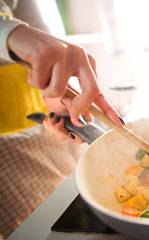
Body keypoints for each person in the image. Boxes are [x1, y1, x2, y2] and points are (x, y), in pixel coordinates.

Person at [0, 0, 121, 237]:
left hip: (36, 114)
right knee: (25, 226)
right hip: (4, 151)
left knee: (61, 204)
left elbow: (36, 30)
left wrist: (54, 92)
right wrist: (8, 31)